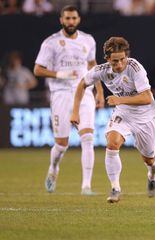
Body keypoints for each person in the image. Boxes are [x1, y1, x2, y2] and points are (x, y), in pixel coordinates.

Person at [70, 37, 155, 203]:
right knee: (112, 143)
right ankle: (115, 188)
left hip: (144, 115)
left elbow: (147, 98)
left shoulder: (135, 67)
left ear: (126, 56)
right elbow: (82, 84)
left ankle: (152, 174)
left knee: (149, 158)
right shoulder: (102, 70)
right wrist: (75, 112)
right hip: (123, 114)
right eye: (114, 61)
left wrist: (119, 100)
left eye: (122, 59)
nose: (119, 64)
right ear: (107, 59)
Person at [33, 5, 104, 195]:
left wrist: (99, 91)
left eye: (73, 18)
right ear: (61, 20)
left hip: (84, 92)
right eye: (67, 18)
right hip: (61, 94)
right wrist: (59, 74)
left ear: (79, 19)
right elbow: (38, 69)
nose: (70, 22)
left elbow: (92, 65)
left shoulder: (88, 40)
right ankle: (53, 168)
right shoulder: (51, 43)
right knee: (62, 144)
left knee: (88, 138)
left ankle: (86, 186)